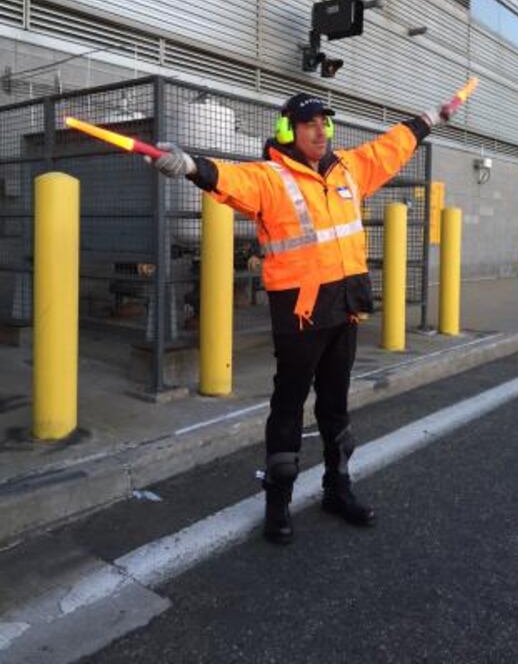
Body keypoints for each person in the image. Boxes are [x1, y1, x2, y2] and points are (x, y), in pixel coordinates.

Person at [148, 91, 458, 544]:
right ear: (288, 130)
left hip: (346, 306)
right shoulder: (270, 178)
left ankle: (338, 488)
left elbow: (393, 145)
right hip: (300, 310)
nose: (320, 130)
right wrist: (190, 166)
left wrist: (432, 116)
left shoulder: (350, 168)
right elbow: (228, 178)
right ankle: (278, 504)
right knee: (289, 407)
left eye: (324, 123)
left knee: (336, 406)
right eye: (309, 123)